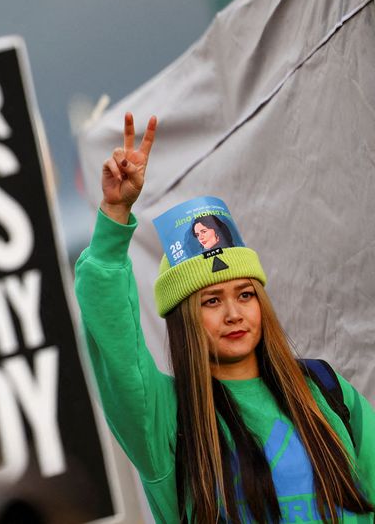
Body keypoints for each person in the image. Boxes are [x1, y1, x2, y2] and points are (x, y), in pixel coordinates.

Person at [74, 112, 375, 523]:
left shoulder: (323, 388)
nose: (234, 313)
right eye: (211, 301)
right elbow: (115, 342)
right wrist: (114, 212)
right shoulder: (166, 417)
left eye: (246, 295)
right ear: (185, 321)